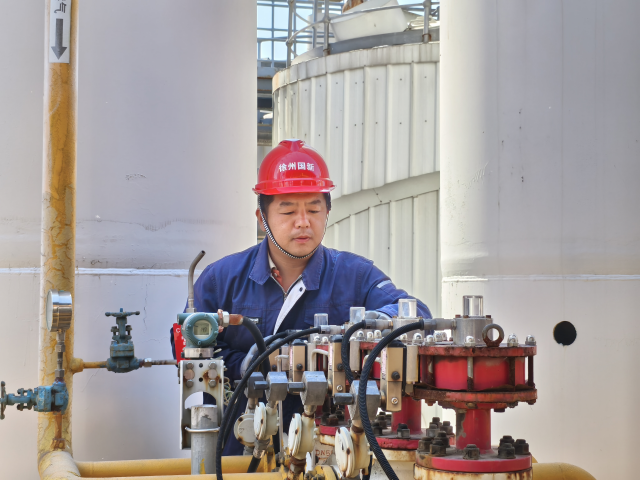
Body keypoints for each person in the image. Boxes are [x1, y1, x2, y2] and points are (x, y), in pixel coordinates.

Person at [171, 139, 432, 455]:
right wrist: (255, 363)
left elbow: (416, 313)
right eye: (288, 210)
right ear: (261, 217)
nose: (303, 222)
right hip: (242, 447)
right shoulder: (222, 279)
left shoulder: (354, 275)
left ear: (328, 211)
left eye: (314, 209)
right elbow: (187, 350)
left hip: (331, 452)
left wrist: (364, 327)